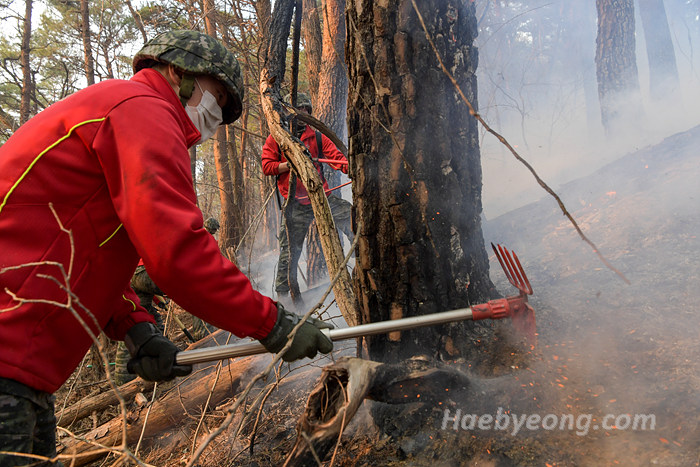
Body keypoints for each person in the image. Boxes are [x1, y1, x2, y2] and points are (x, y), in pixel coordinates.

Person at [0, 31, 332, 466]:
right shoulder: (141, 109)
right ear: (180, 73)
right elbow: (176, 252)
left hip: (23, 369)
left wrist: (135, 327)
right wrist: (272, 322)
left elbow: (86, 252)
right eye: (219, 97)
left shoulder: (122, 110)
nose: (219, 117)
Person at [261, 92, 353, 302]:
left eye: (305, 110)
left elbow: (337, 158)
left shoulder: (317, 136)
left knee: (350, 218)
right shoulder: (278, 137)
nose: (302, 114)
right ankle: (284, 301)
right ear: (287, 112)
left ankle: (360, 267)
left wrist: (350, 168)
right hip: (294, 205)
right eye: (297, 110)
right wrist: (289, 165)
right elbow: (267, 166)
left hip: (321, 197)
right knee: (288, 253)